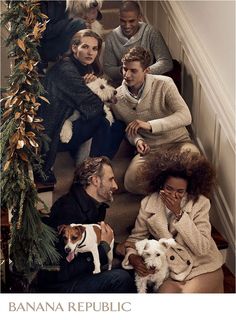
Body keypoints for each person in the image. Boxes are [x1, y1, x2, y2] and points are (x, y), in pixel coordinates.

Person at [121, 150, 224, 293]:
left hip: (203, 266)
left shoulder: (201, 203)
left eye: (180, 191)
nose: (174, 195)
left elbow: (202, 248)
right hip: (173, 271)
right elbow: (135, 239)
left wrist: (179, 213)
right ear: (161, 184)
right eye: (169, 188)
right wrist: (132, 257)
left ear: (188, 189)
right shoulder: (148, 203)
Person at [36, 29, 125, 184]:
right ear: (74, 48)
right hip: (54, 133)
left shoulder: (82, 68)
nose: (90, 52)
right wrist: (92, 89)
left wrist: (91, 90)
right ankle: (90, 174)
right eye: (85, 47)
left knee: (117, 127)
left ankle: (94, 166)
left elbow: (87, 100)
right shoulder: (66, 70)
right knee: (102, 121)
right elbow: (92, 105)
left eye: (94, 48)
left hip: (67, 124)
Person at [38, 156, 136, 293]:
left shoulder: (94, 206)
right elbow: (63, 269)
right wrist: (104, 247)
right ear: (95, 180)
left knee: (130, 272)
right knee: (120, 278)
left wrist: (116, 248)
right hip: (59, 285)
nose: (115, 186)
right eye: (111, 179)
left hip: (77, 276)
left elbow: (85, 242)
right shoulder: (67, 211)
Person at [111, 46, 199, 195]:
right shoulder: (116, 98)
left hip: (179, 142)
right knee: (131, 182)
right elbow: (129, 131)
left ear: (146, 71)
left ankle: (171, 193)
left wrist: (150, 125)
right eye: (125, 69)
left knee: (195, 164)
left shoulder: (165, 84)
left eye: (133, 71)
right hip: (150, 150)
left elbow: (185, 116)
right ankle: (169, 192)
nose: (127, 75)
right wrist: (138, 141)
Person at [103, 0, 173, 86]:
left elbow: (166, 62)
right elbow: (108, 68)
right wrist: (126, 70)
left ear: (139, 17)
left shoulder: (151, 32)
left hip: (148, 82)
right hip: (123, 82)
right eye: (123, 21)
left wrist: (142, 73)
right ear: (119, 16)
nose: (127, 26)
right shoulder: (111, 37)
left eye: (131, 21)